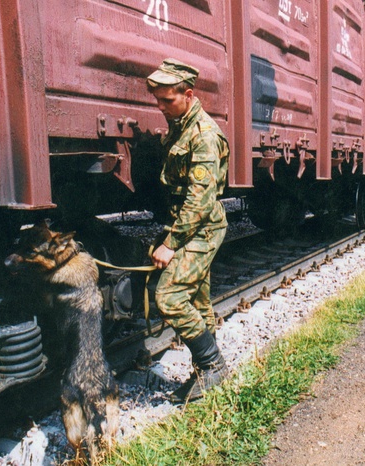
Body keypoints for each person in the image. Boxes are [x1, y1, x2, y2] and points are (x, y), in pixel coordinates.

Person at [147, 58, 230, 403]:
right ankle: (206, 376)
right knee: (197, 300)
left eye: (167, 100)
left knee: (169, 297)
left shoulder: (204, 135)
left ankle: (213, 364)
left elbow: (199, 201)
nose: (160, 106)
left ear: (189, 94)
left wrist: (170, 243)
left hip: (202, 228)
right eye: (158, 99)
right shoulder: (181, 124)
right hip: (189, 224)